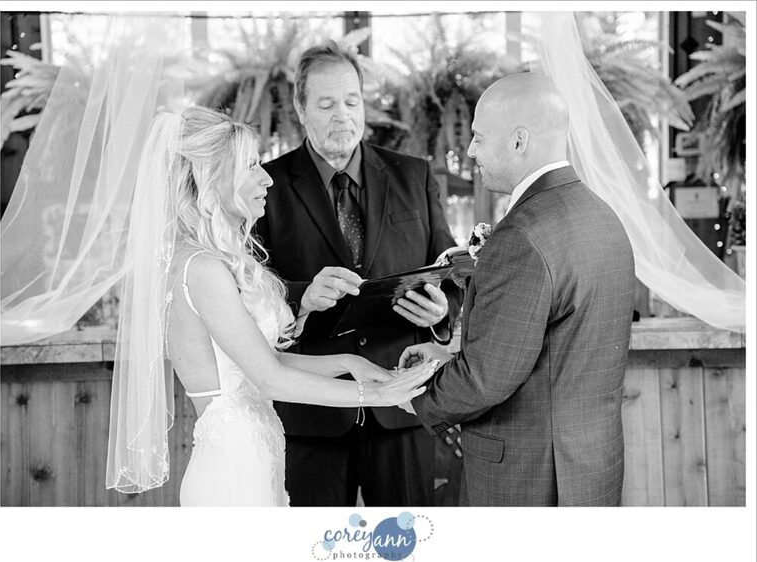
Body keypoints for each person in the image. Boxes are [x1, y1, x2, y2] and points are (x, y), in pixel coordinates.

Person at [105, 106, 438, 506]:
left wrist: (350, 363)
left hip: (255, 458)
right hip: (232, 472)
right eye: (250, 166)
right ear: (212, 178)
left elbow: (261, 363)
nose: (266, 178)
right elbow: (269, 380)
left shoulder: (210, 259)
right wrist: (376, 395)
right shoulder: (202, 268)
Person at [399, 72, 636, 506]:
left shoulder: (521, 236)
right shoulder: (603, 217)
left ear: (519, 141)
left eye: (478, 138)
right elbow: (548, 352)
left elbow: (485, 380)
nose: (470, 152)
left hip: (529, 477)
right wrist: (443, 358)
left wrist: (406, 395)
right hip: (591, 467)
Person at [255, 42, 461, 507]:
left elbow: (449, 270)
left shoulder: (414, 175)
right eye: (326, 104)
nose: (342, 115)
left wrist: (443, 309)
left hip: (403, 404)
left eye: (352, 101)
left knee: (409, 547)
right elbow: (249, 286)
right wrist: (302, 298)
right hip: (312, 414)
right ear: (301, 109)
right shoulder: (266, 186)